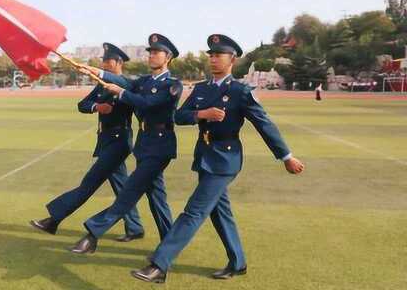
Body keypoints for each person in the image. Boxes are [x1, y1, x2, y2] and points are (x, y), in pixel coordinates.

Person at [131, 34, 305, 284]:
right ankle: (238, 262)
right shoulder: (202, 88)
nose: (212, 59)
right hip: (204, 156)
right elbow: (179, 117)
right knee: (219, 212)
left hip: (225, 160)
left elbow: (264, 124)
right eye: (210, 55)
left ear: (232, 59)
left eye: (218, 55)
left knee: (194, 210)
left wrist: (286, 156)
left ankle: (159, 263)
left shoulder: (240, 91)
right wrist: (203, 114)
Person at [68, 33, 183, 254]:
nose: (151, 55)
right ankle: (170, 244)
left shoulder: (172, 85)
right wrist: (96, 72)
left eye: (156, 52)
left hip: (160, 146)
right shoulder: (144, 81)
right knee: (157, 197)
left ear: (167, 57)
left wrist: (121, 93)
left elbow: (148, 104)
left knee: (130, 190)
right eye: (150, 52)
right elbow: (124, 82)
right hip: (144, 145)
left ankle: (93, 234)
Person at [30, 43, 144, 242]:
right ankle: (134, 227)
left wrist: (99, 74)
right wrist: (97, 106)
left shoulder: (125, 83)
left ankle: (54, 219)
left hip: (119, 141)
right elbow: (82, 105)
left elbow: (121, 84)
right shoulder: (101, 85)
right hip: (106, 141)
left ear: (118, 63)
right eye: (103, 61)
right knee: (122, 187)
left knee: (89, 183)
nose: (104, 64)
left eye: (107, 61)